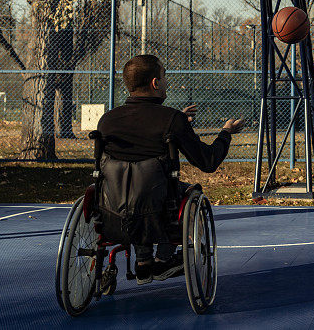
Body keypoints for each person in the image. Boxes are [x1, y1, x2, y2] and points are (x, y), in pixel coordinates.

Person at [96, 54, 245, 284]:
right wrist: (225, 133)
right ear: (155, 83)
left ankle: (143, 261)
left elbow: (140, 133)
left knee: (135, 192)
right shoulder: (171, 120)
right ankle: (162, 260)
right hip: (158, 211)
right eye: (164, 77)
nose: (166, 82)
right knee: (173, 193)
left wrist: (177, 122)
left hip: (112, 210)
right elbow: (208, 162)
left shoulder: (107, 120)